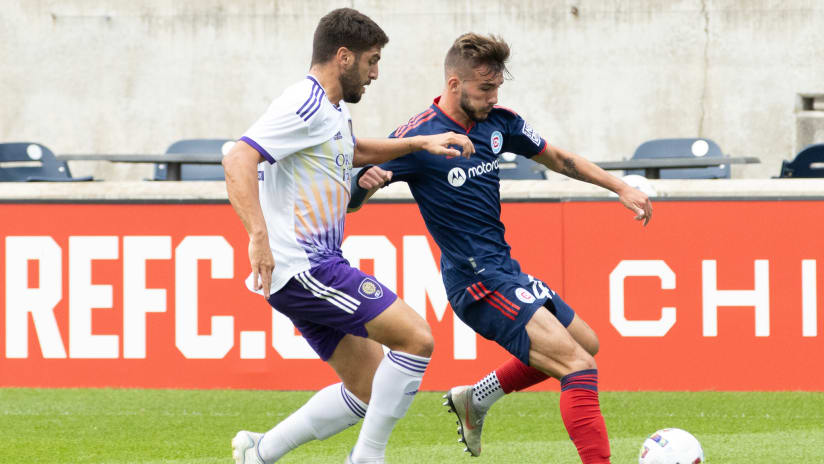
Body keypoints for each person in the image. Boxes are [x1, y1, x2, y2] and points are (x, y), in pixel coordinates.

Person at [349, 33, 653, 464]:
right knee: (578, 367)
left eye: (497, 88)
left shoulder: (501, 123)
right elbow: (352, 201)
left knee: (587, 341)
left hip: (505, 269)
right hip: (475, 282)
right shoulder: (418, 137)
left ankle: (477, 398)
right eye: (484, 88)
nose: (493, 97)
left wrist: (620, 186)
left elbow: (559, 158)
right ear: (454, 84)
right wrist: (362, 188)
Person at [223, 9, 474, 464]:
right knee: (416, 339)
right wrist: (257, 235)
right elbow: (238, 158)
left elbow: (351, 150)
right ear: (343, 56)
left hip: (307, 268)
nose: (375, 73)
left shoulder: (331, 111)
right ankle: (367, 458)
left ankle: (260, 452)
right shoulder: (305, 101)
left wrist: (417, 143)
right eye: (372, 61)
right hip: (305, 266)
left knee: (367, 386)